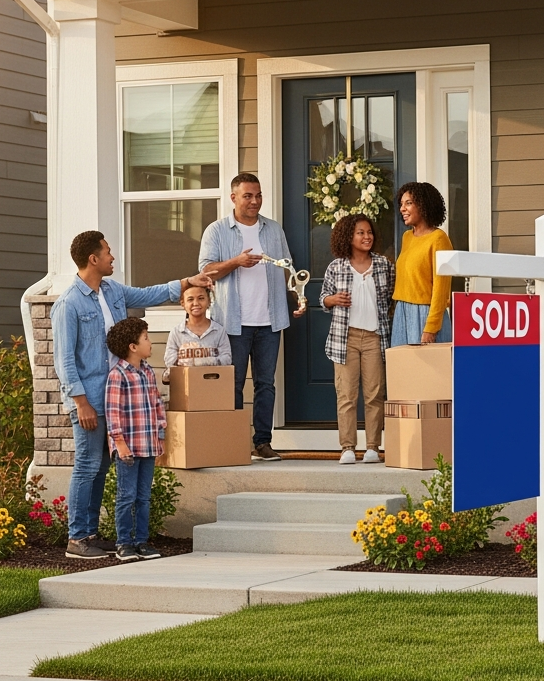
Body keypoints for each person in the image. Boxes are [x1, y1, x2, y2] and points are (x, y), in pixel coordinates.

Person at [51, 230, 212, 560]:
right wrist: (80, 402)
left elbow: (149, 293)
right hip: (90, 400)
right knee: (87, 466)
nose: (113, 258)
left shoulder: (111, 290)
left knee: (101, 468)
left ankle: (91, 534)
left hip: (116, 397)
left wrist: (186, 282)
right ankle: (77, 538)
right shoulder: (69, 303)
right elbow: (64, 359)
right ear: (93, 259)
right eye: (108, 253)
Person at [198, 173, 306, 461]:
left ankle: (262, 443)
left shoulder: (273, 230)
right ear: (233, 197)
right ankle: (234, 442)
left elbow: (288, 270)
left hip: (270, 321)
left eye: (258, 195)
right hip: (232, 322)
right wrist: (236, 261)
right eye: (248, 195)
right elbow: (206, 272)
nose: (255, 201)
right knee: (232, 383)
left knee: (265, 383)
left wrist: (298, 298)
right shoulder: (217, 231)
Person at [321, 214, 395, 464]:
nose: (367, 237)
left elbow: (391, 299)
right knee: (346, 395)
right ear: (348, 237)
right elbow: (323, 298)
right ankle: (348, 447)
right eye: (360, 233)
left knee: (375, 394)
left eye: (369, 232)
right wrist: (332, 300)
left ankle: (373, 447)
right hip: (345, 338)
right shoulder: (337, 266)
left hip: (375, 337)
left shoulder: (384, 265)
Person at [103, 317, 164, 562]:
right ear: (132, 346)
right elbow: (113, 412)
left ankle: (141, 541)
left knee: (143, 496)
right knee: (126, 496)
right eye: (146, 338)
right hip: (128, 448)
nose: (150, 343)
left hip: (148, 445)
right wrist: (119, 442)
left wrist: (161, 435)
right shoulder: (118, 375)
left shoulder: (148, 371)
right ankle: (124, 543)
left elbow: (157, 404)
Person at [391, 182, 452, 346]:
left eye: (408, 203)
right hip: (401, 312)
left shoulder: (439, 239)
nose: (402, 209)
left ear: (424, 204)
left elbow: (441, 289)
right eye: (401, 204)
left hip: (425, 314)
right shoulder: (406, 237)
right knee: (402, 368)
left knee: (429, 370)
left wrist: (431, 327)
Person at [163, 282, 232, 379]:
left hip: (212, 384)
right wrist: (188, 362)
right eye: (190, 299)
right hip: (185, 385)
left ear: (209, 301)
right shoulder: (177, 332)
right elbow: (169, 361)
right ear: (183, 303)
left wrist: (206, 361)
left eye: (201, 298)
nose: (196, 303)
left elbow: (227, 359)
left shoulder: (218, 331)